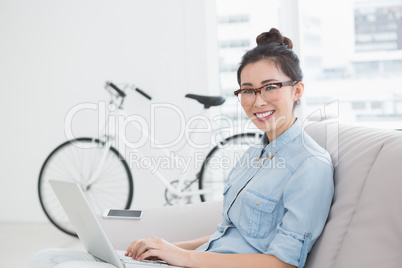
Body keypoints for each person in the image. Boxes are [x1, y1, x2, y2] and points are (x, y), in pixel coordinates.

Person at [29, 28, 334, 268]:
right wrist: (168, 248)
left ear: (297, 90)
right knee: (47, 258)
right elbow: (226, 235)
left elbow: (281, 263)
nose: (257, 101)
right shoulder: (253, 154)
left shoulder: (310, 166)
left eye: (270, 86)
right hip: (196, 261)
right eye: (248, 91)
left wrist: (184, 258)